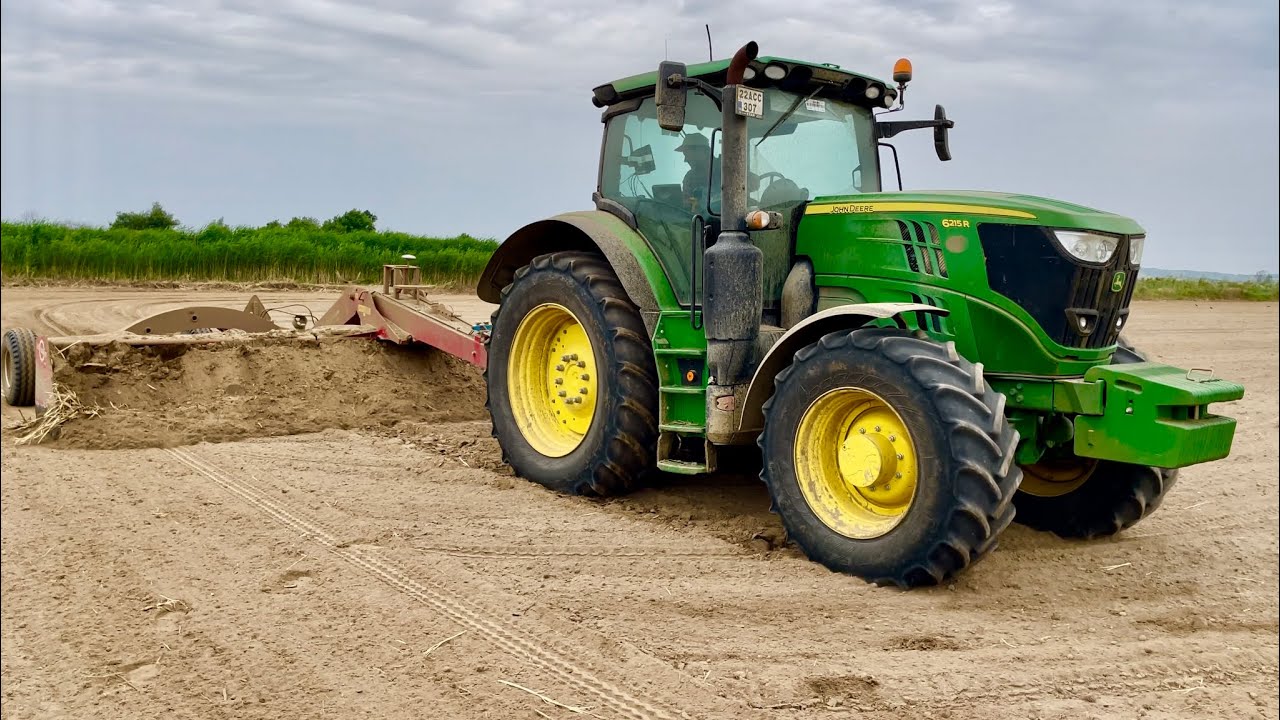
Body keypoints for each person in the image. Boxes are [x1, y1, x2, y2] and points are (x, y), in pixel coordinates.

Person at [677, 133, 719, 212]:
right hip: (700, 218)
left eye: (687, 154)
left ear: (703, 151)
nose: (685, 160)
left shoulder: (727, 169)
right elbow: (688, 204)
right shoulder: (689, 177)